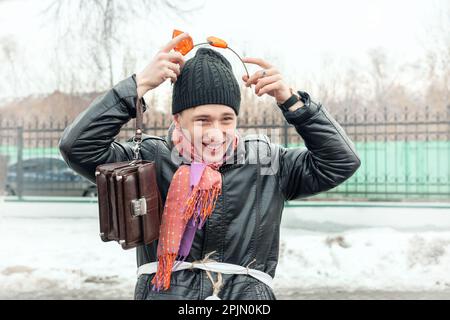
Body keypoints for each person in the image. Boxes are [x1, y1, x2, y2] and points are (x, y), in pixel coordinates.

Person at [59, 32, 361, 300]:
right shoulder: (151, 158)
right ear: (178, 119)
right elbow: (78, 148)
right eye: (203, 120)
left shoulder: (267, 162)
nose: (216, 131)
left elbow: (340, 162)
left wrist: (293, 102)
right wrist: (136, 87)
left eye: (226, 119)